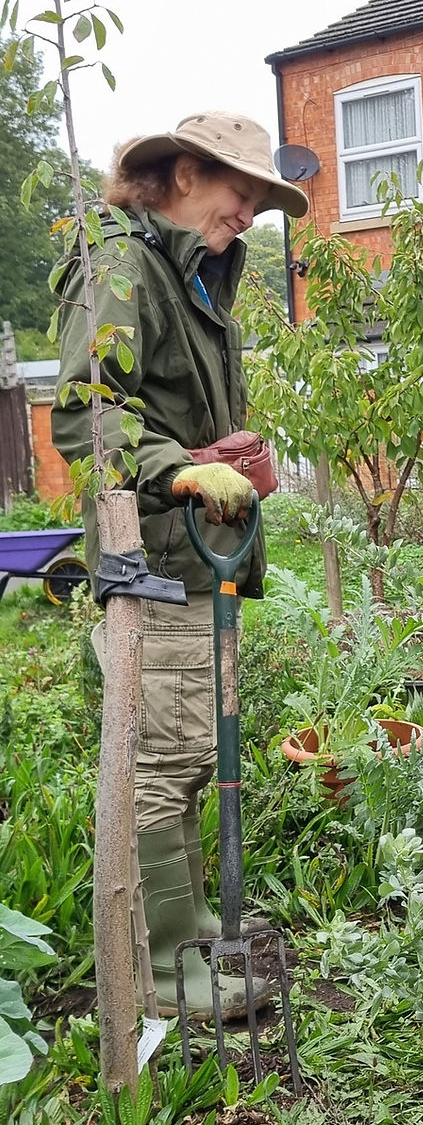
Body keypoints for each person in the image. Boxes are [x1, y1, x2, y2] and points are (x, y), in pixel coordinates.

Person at [52, 111, 309, 1022]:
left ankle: (190, 929)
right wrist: (178, 468)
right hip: (152, 561)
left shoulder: (193, 278)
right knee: (161, 759)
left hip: (197, 559)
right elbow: (86, 413)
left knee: (196, 750)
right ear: (188, 174)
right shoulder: (123, 264)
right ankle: (162, 969)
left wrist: (224, 460)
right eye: (244, 196)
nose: (249, 216)